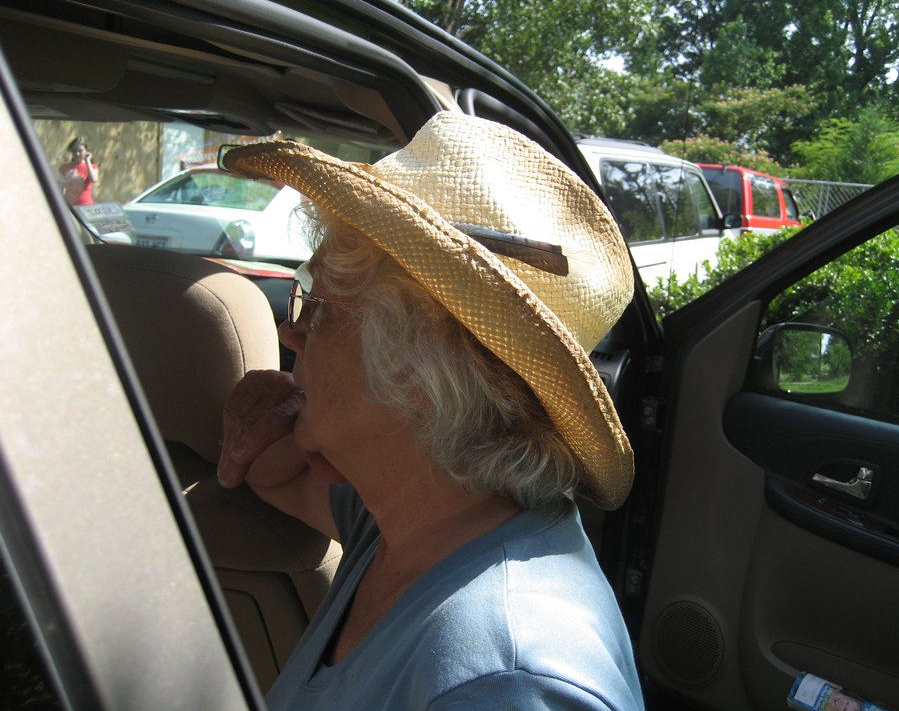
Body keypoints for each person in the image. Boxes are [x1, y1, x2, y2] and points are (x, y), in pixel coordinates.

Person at [216, 112, 644, 709]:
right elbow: (269, 471)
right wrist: (293, 416)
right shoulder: (412, 514)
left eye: (317, 309)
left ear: (418, 369)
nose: (292, 333)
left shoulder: (507, 683)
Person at [59, 136, 99, 205]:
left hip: (85, 205)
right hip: (69, 205)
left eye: (80, 151)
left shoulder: (92, 167)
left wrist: (87, 160)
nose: (77, 154)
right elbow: (59, 186)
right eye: (74, 151)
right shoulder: (65, 167)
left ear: (86, 151)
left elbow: (93, 179)